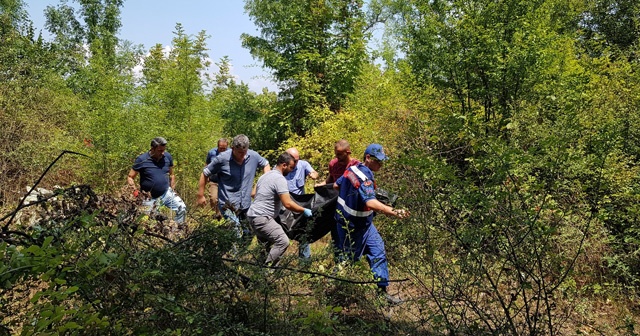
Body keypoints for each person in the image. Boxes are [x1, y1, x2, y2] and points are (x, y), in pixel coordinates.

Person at [333, 144, 410, 304]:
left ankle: (382, 294)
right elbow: (371, 203)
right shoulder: (364, 178)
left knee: (378, 252)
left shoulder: (352, 169)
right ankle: (336, 296)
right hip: (352, 227)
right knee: (347, 261)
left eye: (383, 161)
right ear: (368, 158)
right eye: (378, 161)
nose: (381, 165)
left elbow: (336, 185)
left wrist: (355, 197)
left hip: (365, 224)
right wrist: (395, 212)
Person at [196, 134, 270, 238]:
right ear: (232, 148)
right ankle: (233, 252)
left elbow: (266, 164)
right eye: (239, 152)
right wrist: (200, 195)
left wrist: (260, 185)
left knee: (249, 233)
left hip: (245, 204)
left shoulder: (253, 156)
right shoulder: (222, 159)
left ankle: (236, 251)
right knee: (236, 231)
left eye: (244, 152)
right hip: (228, 204)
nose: (242, 155)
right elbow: (205, 173)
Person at [248, 152, 313, 266]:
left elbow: (253, 194)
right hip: (263, 218)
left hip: (253, 215)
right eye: (291, 167)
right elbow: (287, 203)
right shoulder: (279, 179)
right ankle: (266, 270)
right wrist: (303, 210)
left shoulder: (265, 175)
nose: (292, 170)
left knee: (265, 247)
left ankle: (256, 274)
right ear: (284, 165)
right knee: (282, 241)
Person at [127, 137, 186, 226]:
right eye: (159, 150)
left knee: (182, 208)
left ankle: (177, 232)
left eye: (163, 150)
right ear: (152, 149)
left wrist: (172, 188)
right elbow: (130, 177)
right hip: (149, 197)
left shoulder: (167, 157)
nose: (162, 153)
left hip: (166, 193)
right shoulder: (142, 159)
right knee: (149, 221)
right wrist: (136, 192)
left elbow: (172, 174)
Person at [284, 147, 319, 261]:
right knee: (283, 231)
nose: (297, 162)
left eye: (298, 160)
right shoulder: (281, 167)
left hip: (300, 204)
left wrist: (314, 174)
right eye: (295, 160)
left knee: (303, 231)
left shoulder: (303, 165)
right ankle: (277, 260)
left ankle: (305, 260)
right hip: (285, 203)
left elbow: (314, 173)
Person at [205, 138, 229, 216]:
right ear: (217, 146)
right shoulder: (212, 153)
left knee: (225, 200)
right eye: (220, 148)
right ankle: (216, 215)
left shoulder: (231, 153)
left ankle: (225, 216)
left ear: (227, 147)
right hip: (214, 180)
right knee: (214, 199)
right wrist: (206, 176)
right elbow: (207, 164)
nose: (222, 150)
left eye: (224, 148)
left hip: (226, 181)